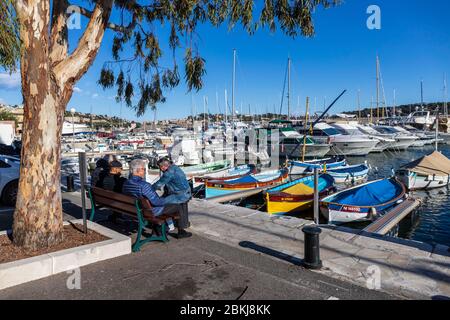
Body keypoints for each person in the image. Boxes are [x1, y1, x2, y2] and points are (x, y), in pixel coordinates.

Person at [122, 159, 192, 239]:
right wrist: (170, 198)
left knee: (169, 202)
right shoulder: (144, 185)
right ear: (139, 170)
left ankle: (158, 231)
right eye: (144, 169)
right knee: (177, 205)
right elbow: (157, 202)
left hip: (135, 210)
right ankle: (179, 231)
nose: (145, 171)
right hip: (149, 212)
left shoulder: (126, 183)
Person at [153, 157, 192, 229]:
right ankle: (183, 223)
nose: (160, 169)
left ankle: (175, 225)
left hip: (180, 195)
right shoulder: (174, 167)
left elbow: (159, 184)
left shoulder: (169, 173)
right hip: (186, 192)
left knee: (160, 202)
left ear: (164, 166)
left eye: (160, 167)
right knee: (164, 199)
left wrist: (149, 189)